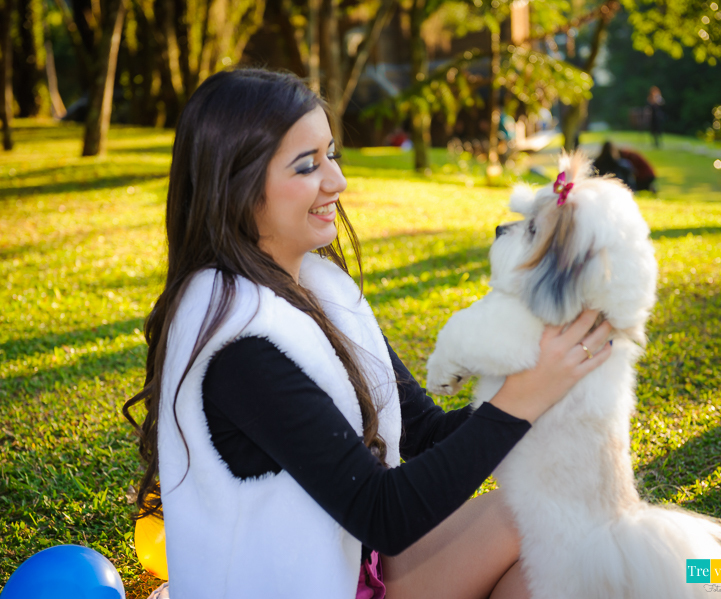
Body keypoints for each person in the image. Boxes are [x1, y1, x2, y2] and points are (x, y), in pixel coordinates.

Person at [123, 68, 613, 599]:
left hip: (359, 566)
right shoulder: (239, 346)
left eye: (331, 154)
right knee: (551, 523)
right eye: (308, 165)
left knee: (555, 526)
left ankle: (716, 579)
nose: (337, 181)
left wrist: (549, 385)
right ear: (237, 186)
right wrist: (521, 400)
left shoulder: (314, 287)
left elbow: (423, 434)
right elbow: (384, 513)